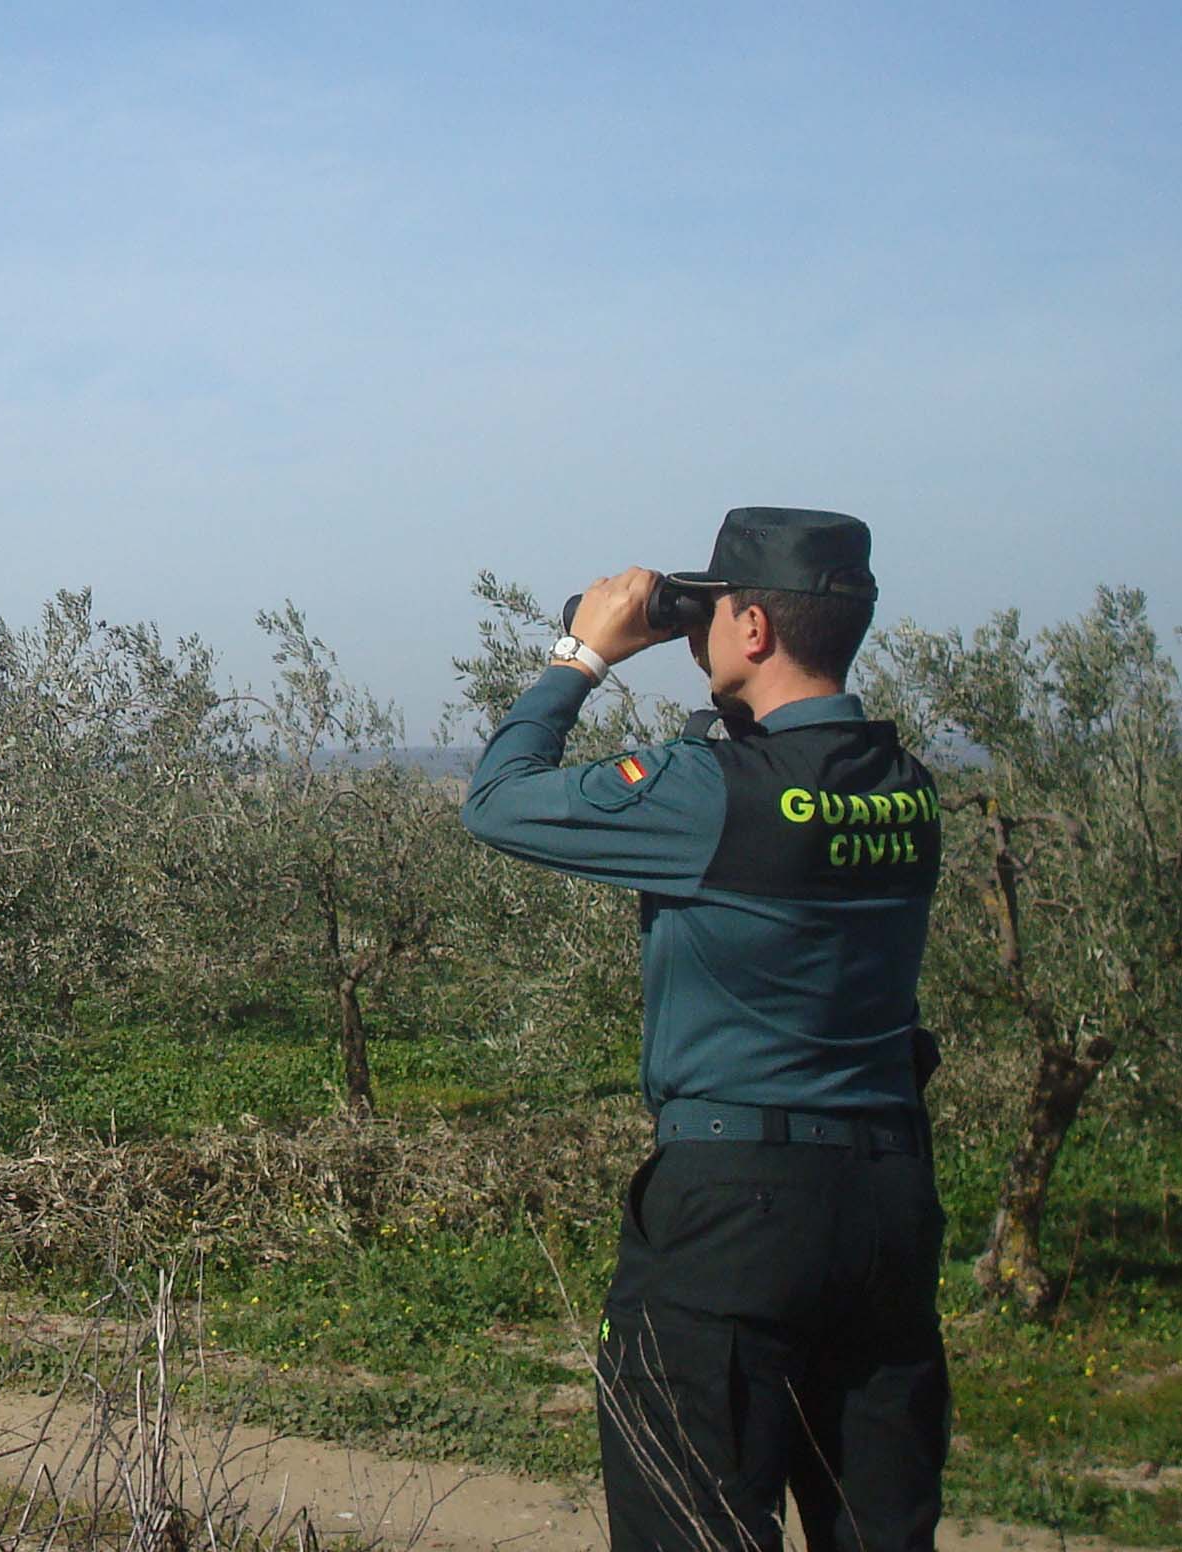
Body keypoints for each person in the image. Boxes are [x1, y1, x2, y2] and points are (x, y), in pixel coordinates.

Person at [460, 508, 947, 1552]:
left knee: (692, 1525)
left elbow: (498, 801)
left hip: (736, 1217)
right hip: (888, 1210)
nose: (699, 636)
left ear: (757, 629)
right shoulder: (910, 793)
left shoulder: (707, 796)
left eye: (711, 612)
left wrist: (583, 653)